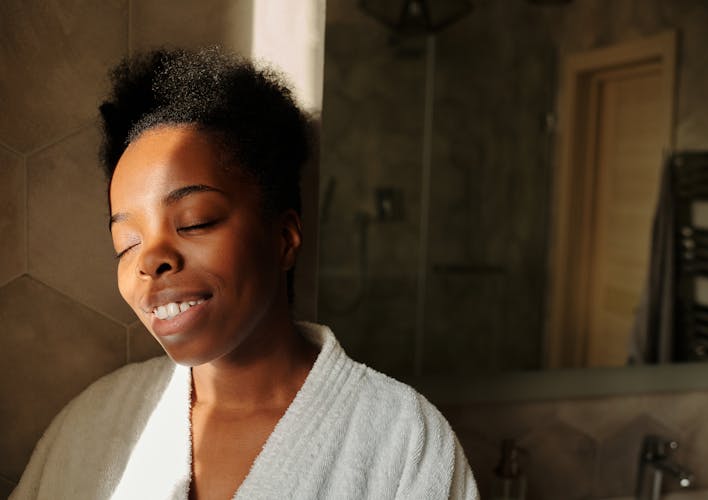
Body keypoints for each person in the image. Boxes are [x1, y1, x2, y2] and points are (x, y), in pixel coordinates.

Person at [11, 47, 478, 500]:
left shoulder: (403, 440)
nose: (150, 260)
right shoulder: (94, 422)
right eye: (126, 244)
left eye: (195, 221)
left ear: (284, 238)